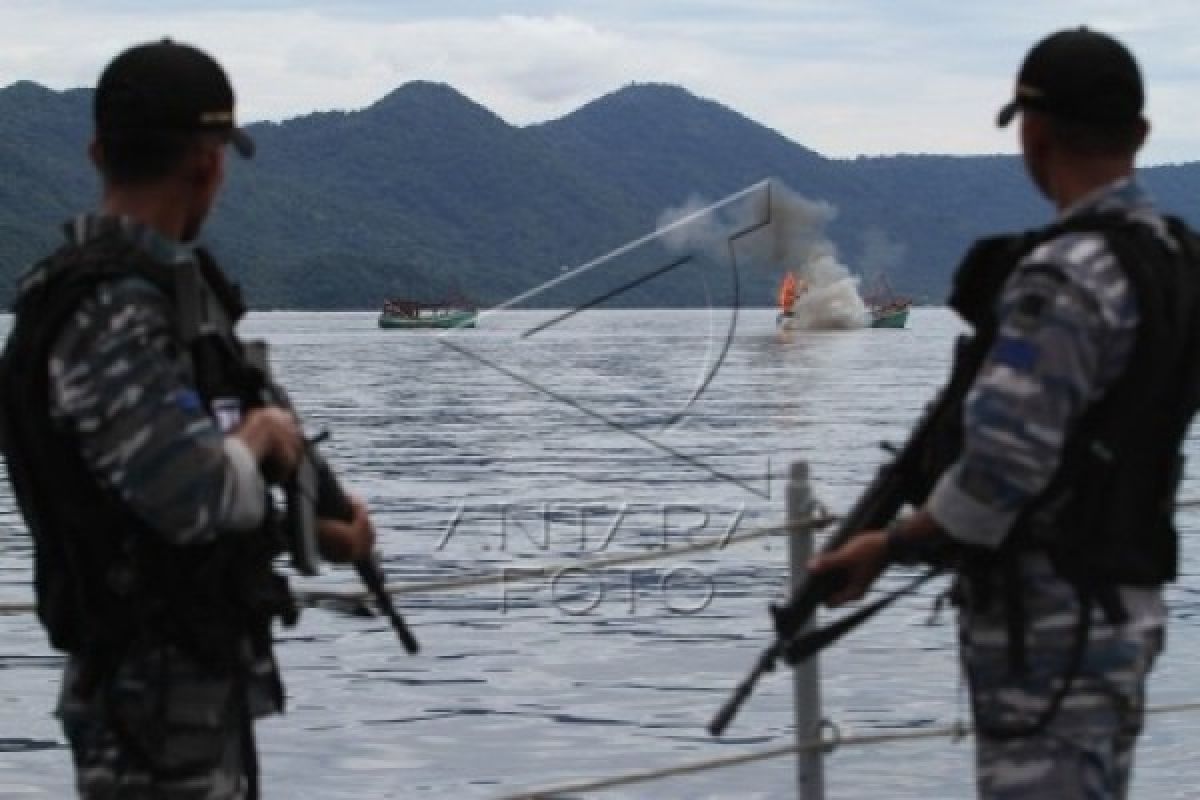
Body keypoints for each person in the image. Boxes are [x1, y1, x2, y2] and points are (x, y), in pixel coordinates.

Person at [809, 27, 1200, 799]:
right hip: (1128, 607)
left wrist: (886, 545)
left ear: (1035, 131)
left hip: (1048, 626)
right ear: (1143, 134)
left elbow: (998, 472)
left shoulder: (1061, 277)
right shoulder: (1178, 258)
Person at [0, 40, 376, 798]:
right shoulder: (113, 311)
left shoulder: (136, 299)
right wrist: (266, 436)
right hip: (147, 712)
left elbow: (139, 497)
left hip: (183, 694)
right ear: (208, 165)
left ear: (98, 151)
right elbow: (189, 494)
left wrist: (313, 530)